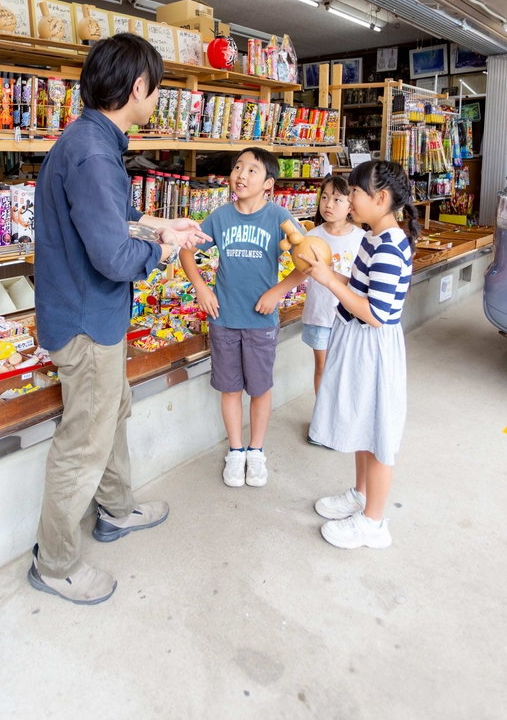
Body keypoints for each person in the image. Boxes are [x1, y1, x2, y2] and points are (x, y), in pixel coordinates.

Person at [30, 34, 208, 605]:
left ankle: (115, 510)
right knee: (84, 441)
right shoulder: (92, 153)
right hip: (85, 322)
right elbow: (112, 255)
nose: (155, 99)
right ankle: (54, 563)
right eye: (155, 90)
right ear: (138, 88)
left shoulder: (92, 142)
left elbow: (117, 219)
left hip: (95, 316)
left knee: (114, 413)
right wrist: (161, 251)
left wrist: (160, 226)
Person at [301, 160, 420, 550]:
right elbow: (356, 285)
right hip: (357, 341)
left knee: (379, 433)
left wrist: (328, 283)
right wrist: (328, 272)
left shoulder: (389, 245)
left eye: (354, 192)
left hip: (373, 345)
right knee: (361, 424)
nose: (348, 198)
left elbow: (375, 313)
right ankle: (360, 495)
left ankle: (374, 522)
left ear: (381, 198)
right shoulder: (372, 237)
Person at [180, 148, 305, 488]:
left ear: (268, 183)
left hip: (262, 323)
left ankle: (256, 451)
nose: (241, 174)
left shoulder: (279, 217)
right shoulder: (220, 217)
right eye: (238, 167)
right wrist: (202, 289)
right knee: (230, 388)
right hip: (224, 319)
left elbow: (308, 262)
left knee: (260, 389)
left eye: (252, 170)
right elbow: (187, 249)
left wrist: (278, 291)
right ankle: (236, 452)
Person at [301, 176, 363, 443]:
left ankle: (344, 420)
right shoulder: (312, 236)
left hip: (348, 317)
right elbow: (300, 270)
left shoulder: (362, 238)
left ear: (351, 205)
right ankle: (323, 419)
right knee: (322, 367)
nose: (328, 204)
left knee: (346, 369)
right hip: (319, 312)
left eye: (337, 199)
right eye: (325, 197)